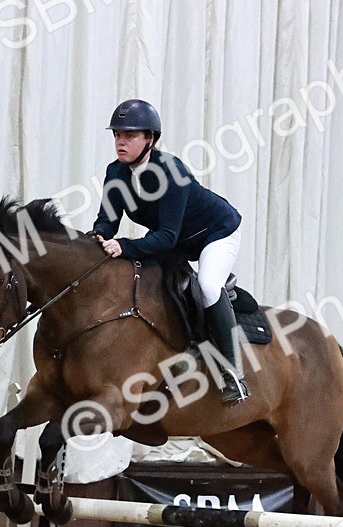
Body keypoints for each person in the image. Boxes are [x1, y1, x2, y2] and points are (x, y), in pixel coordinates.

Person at [91, 99, 249, 405]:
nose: (121, 141)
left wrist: (124, 246)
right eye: (117, 135)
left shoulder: (171, 171)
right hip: (177, 242)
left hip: (216, 233)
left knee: (207, 285)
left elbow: (165, 236)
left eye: (130, 135)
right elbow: (107, 221)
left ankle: (234, 373)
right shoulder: (116, 173)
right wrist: (95, 241)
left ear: (150, 139)